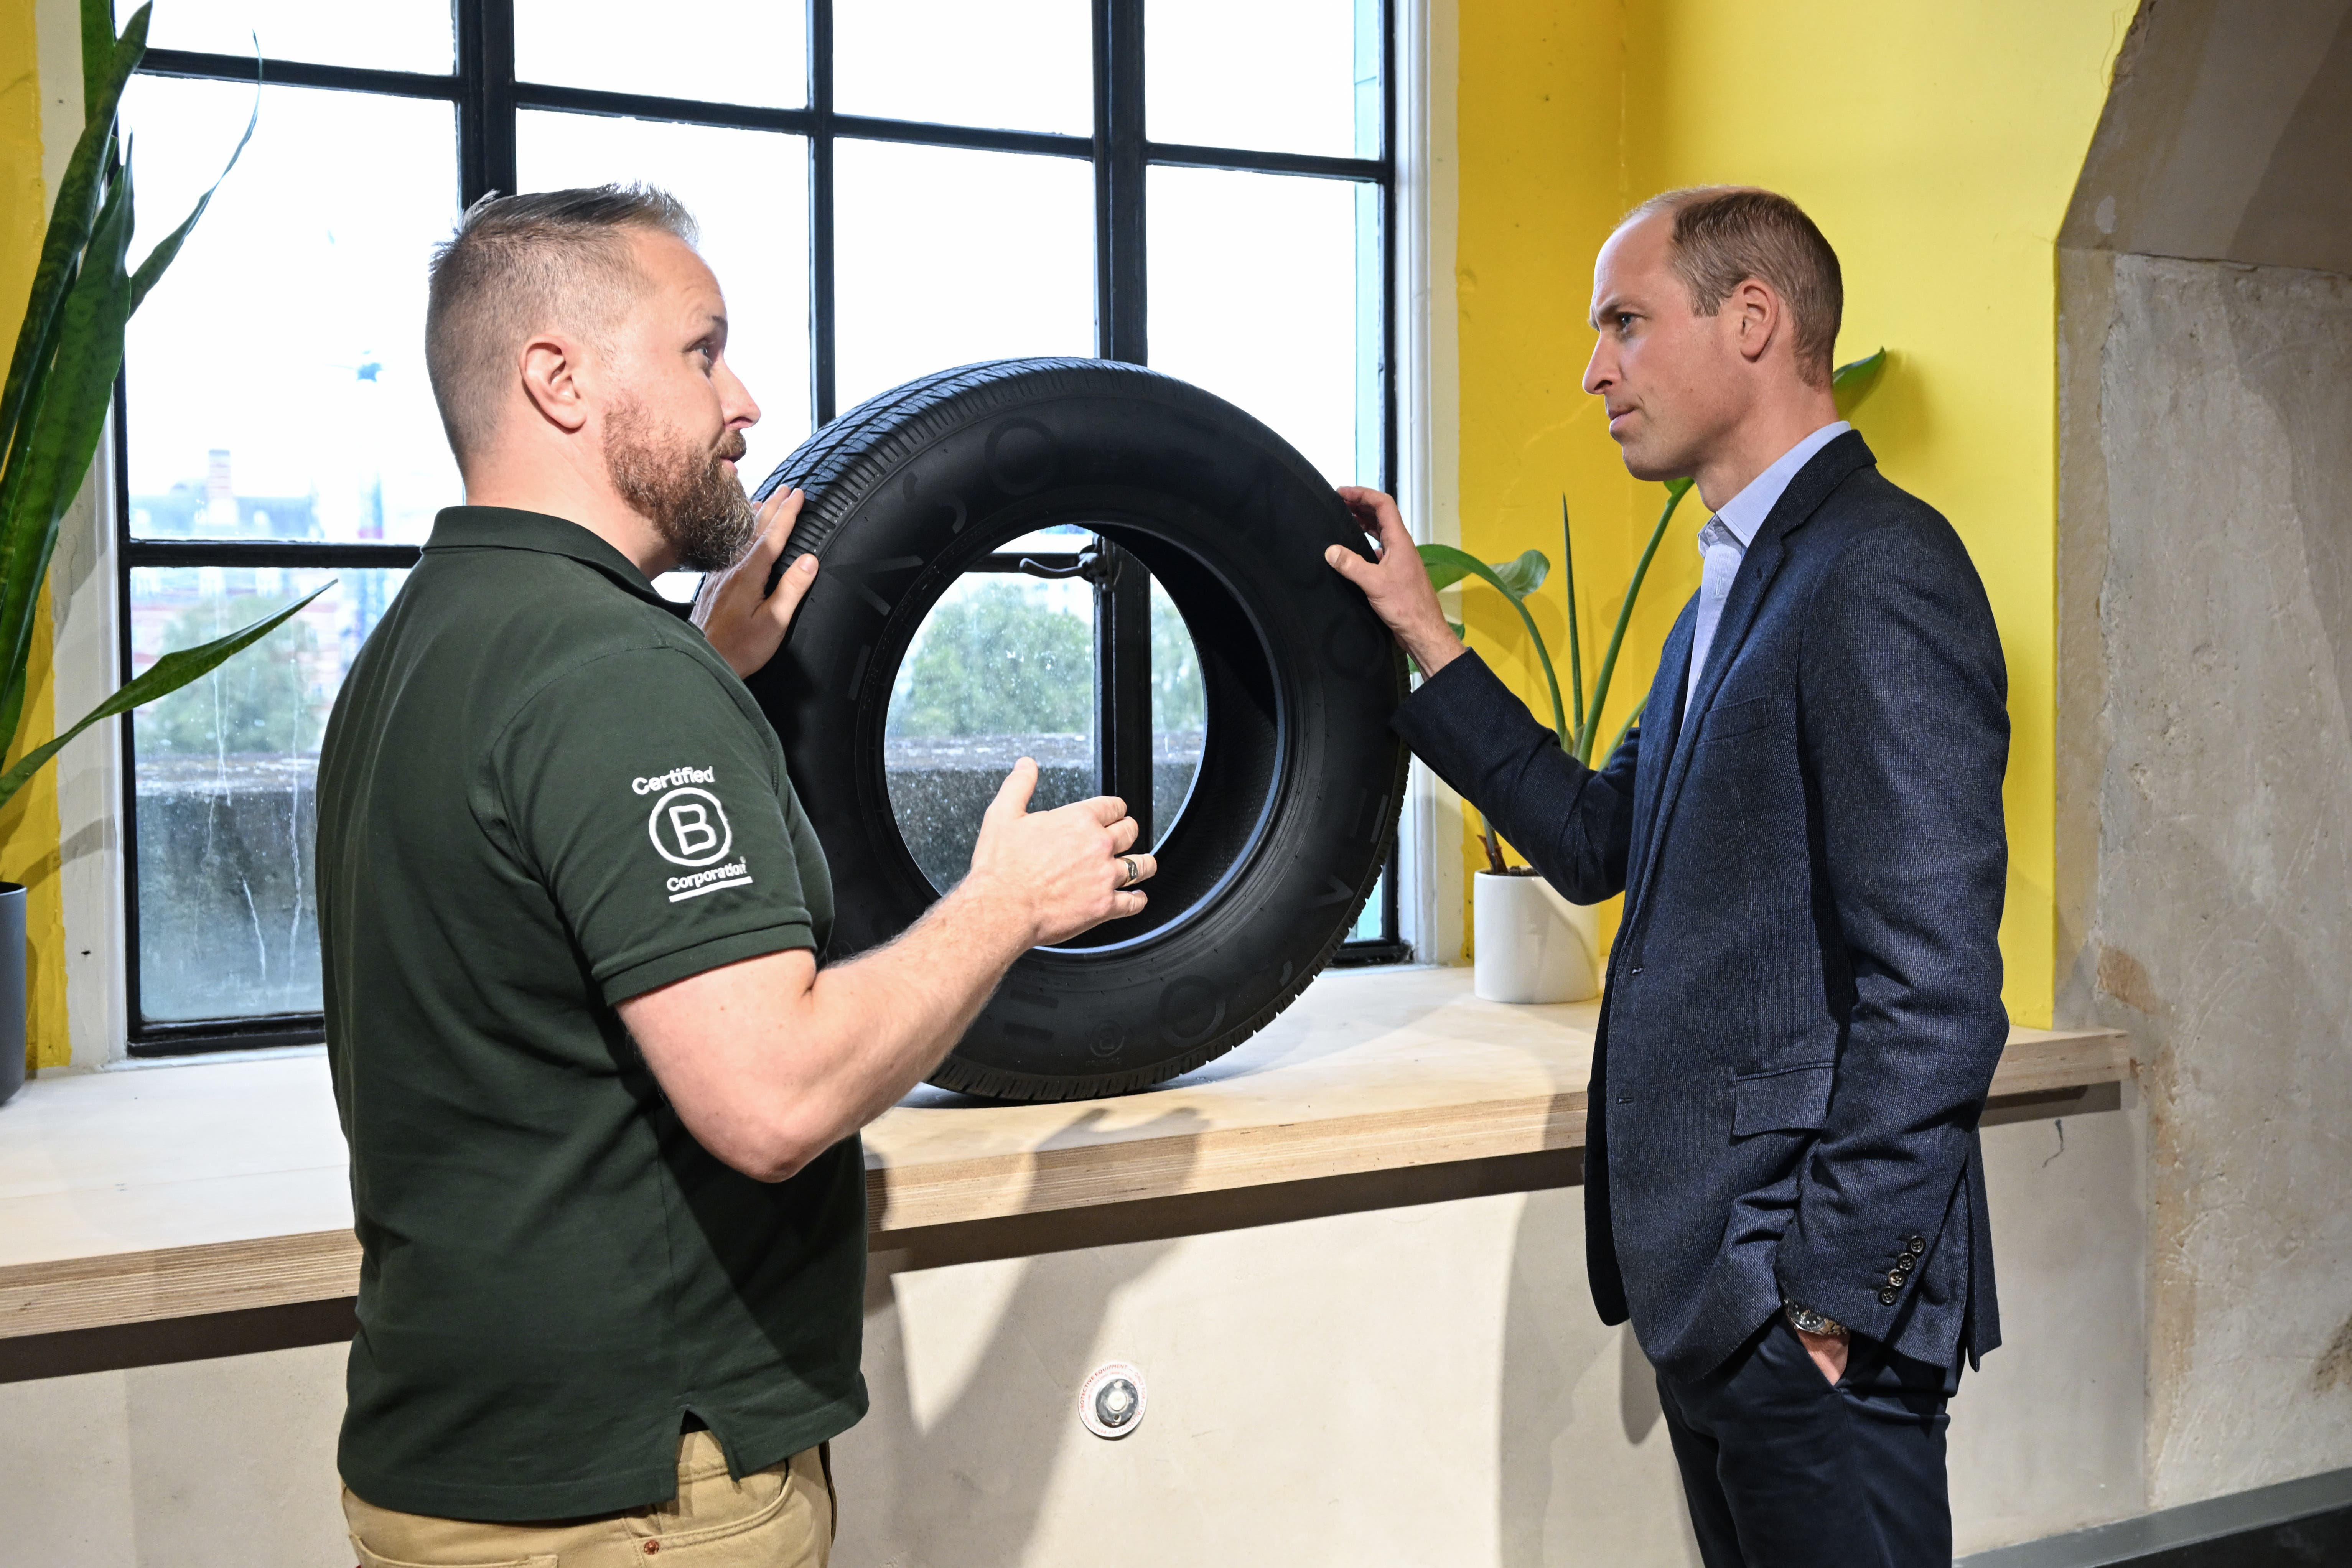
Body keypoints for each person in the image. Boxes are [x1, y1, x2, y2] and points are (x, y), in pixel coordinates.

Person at [315, 185, 1155, 1566]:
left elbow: (536, 896)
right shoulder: (613, 677)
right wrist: (1005, 904)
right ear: (558, 378)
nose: (745, 401)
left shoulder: (424, 645)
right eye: (702, 351)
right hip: (634, 1500)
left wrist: (707, 664)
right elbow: (773, 1098)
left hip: (455, 1465)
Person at [1325, 187, 2009, 1567]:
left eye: (1625, 324)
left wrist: (1823, 1299)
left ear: (1751, 319)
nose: (1594, 370)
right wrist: (1426, 639)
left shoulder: (1878, 568)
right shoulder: (1729, 593)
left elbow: (1935, 984)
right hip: (1719, 1289)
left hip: (1804, 1304)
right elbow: (1595, 843)